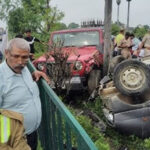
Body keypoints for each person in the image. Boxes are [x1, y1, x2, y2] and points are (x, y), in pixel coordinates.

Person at [0, 38, 49, 150]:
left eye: (24, 57)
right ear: (6, 53)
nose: (20, 62)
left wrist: (35, 72)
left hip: (31, 134)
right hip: (14, 141)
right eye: (16, 56)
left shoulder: (24, 69)